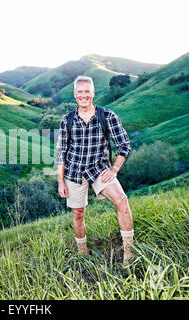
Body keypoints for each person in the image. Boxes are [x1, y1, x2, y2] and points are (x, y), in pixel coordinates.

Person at [55, 75, 134, 266]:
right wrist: (60, 181)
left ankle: (129, 254)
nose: (83, 95)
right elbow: (61, 152)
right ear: (75, 94)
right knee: (78, 214)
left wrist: (114, 169)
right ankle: (83, 253)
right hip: (74, 172)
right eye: (80, 92)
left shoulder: (107, 116)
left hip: (100, 169)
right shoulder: (67, 120)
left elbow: (124, 145)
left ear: (93, 93)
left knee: (122, 201)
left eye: (87, 92)